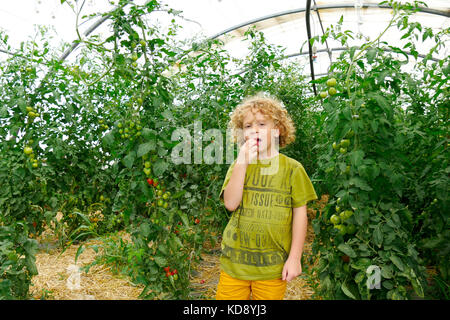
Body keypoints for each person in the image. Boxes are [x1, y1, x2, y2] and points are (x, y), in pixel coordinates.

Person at [215, 93, 318, 300]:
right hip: (235, 265)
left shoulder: (292, 169)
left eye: (262, 124)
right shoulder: (239, 166)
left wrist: (295, 258)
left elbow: (300, 214)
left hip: (272, 267)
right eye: (247, 126)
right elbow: (231, 203)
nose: (254, 130)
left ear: (277, 130)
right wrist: (242, 163)